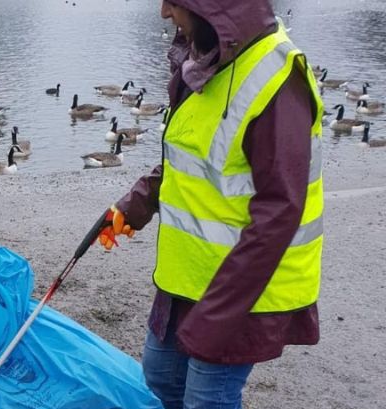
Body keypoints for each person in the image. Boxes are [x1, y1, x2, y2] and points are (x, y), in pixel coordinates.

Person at [98, 1, 324, 408]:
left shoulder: (275, 79)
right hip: (188, 277)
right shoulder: (202, 59)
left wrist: (219, 313)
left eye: (174, 1)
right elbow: (191, 154)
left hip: (244, 288)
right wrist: (138, 202)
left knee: (208, 399)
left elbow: (280, 212)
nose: (165, 13)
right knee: (159, 380)